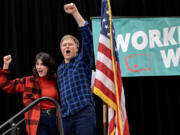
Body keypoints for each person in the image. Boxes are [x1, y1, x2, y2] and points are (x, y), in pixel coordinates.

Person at [57, 3, 96, 135]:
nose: (67, 46)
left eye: (70, 44)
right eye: (64, 45)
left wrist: (75, 13)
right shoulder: (60, 69)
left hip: (83, 113)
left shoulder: (82, 60)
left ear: (76, 48)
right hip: (66, 117)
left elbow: (88, 38)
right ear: (61, 49)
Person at [0, 52, 59, 135]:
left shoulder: (56, 79)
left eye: (42, 64)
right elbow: (6, 85)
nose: (39, 67)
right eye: (37, 64)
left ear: (48, 66)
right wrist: (6, 65)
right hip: (38, 120)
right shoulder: (28, 81)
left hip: (55, 119)